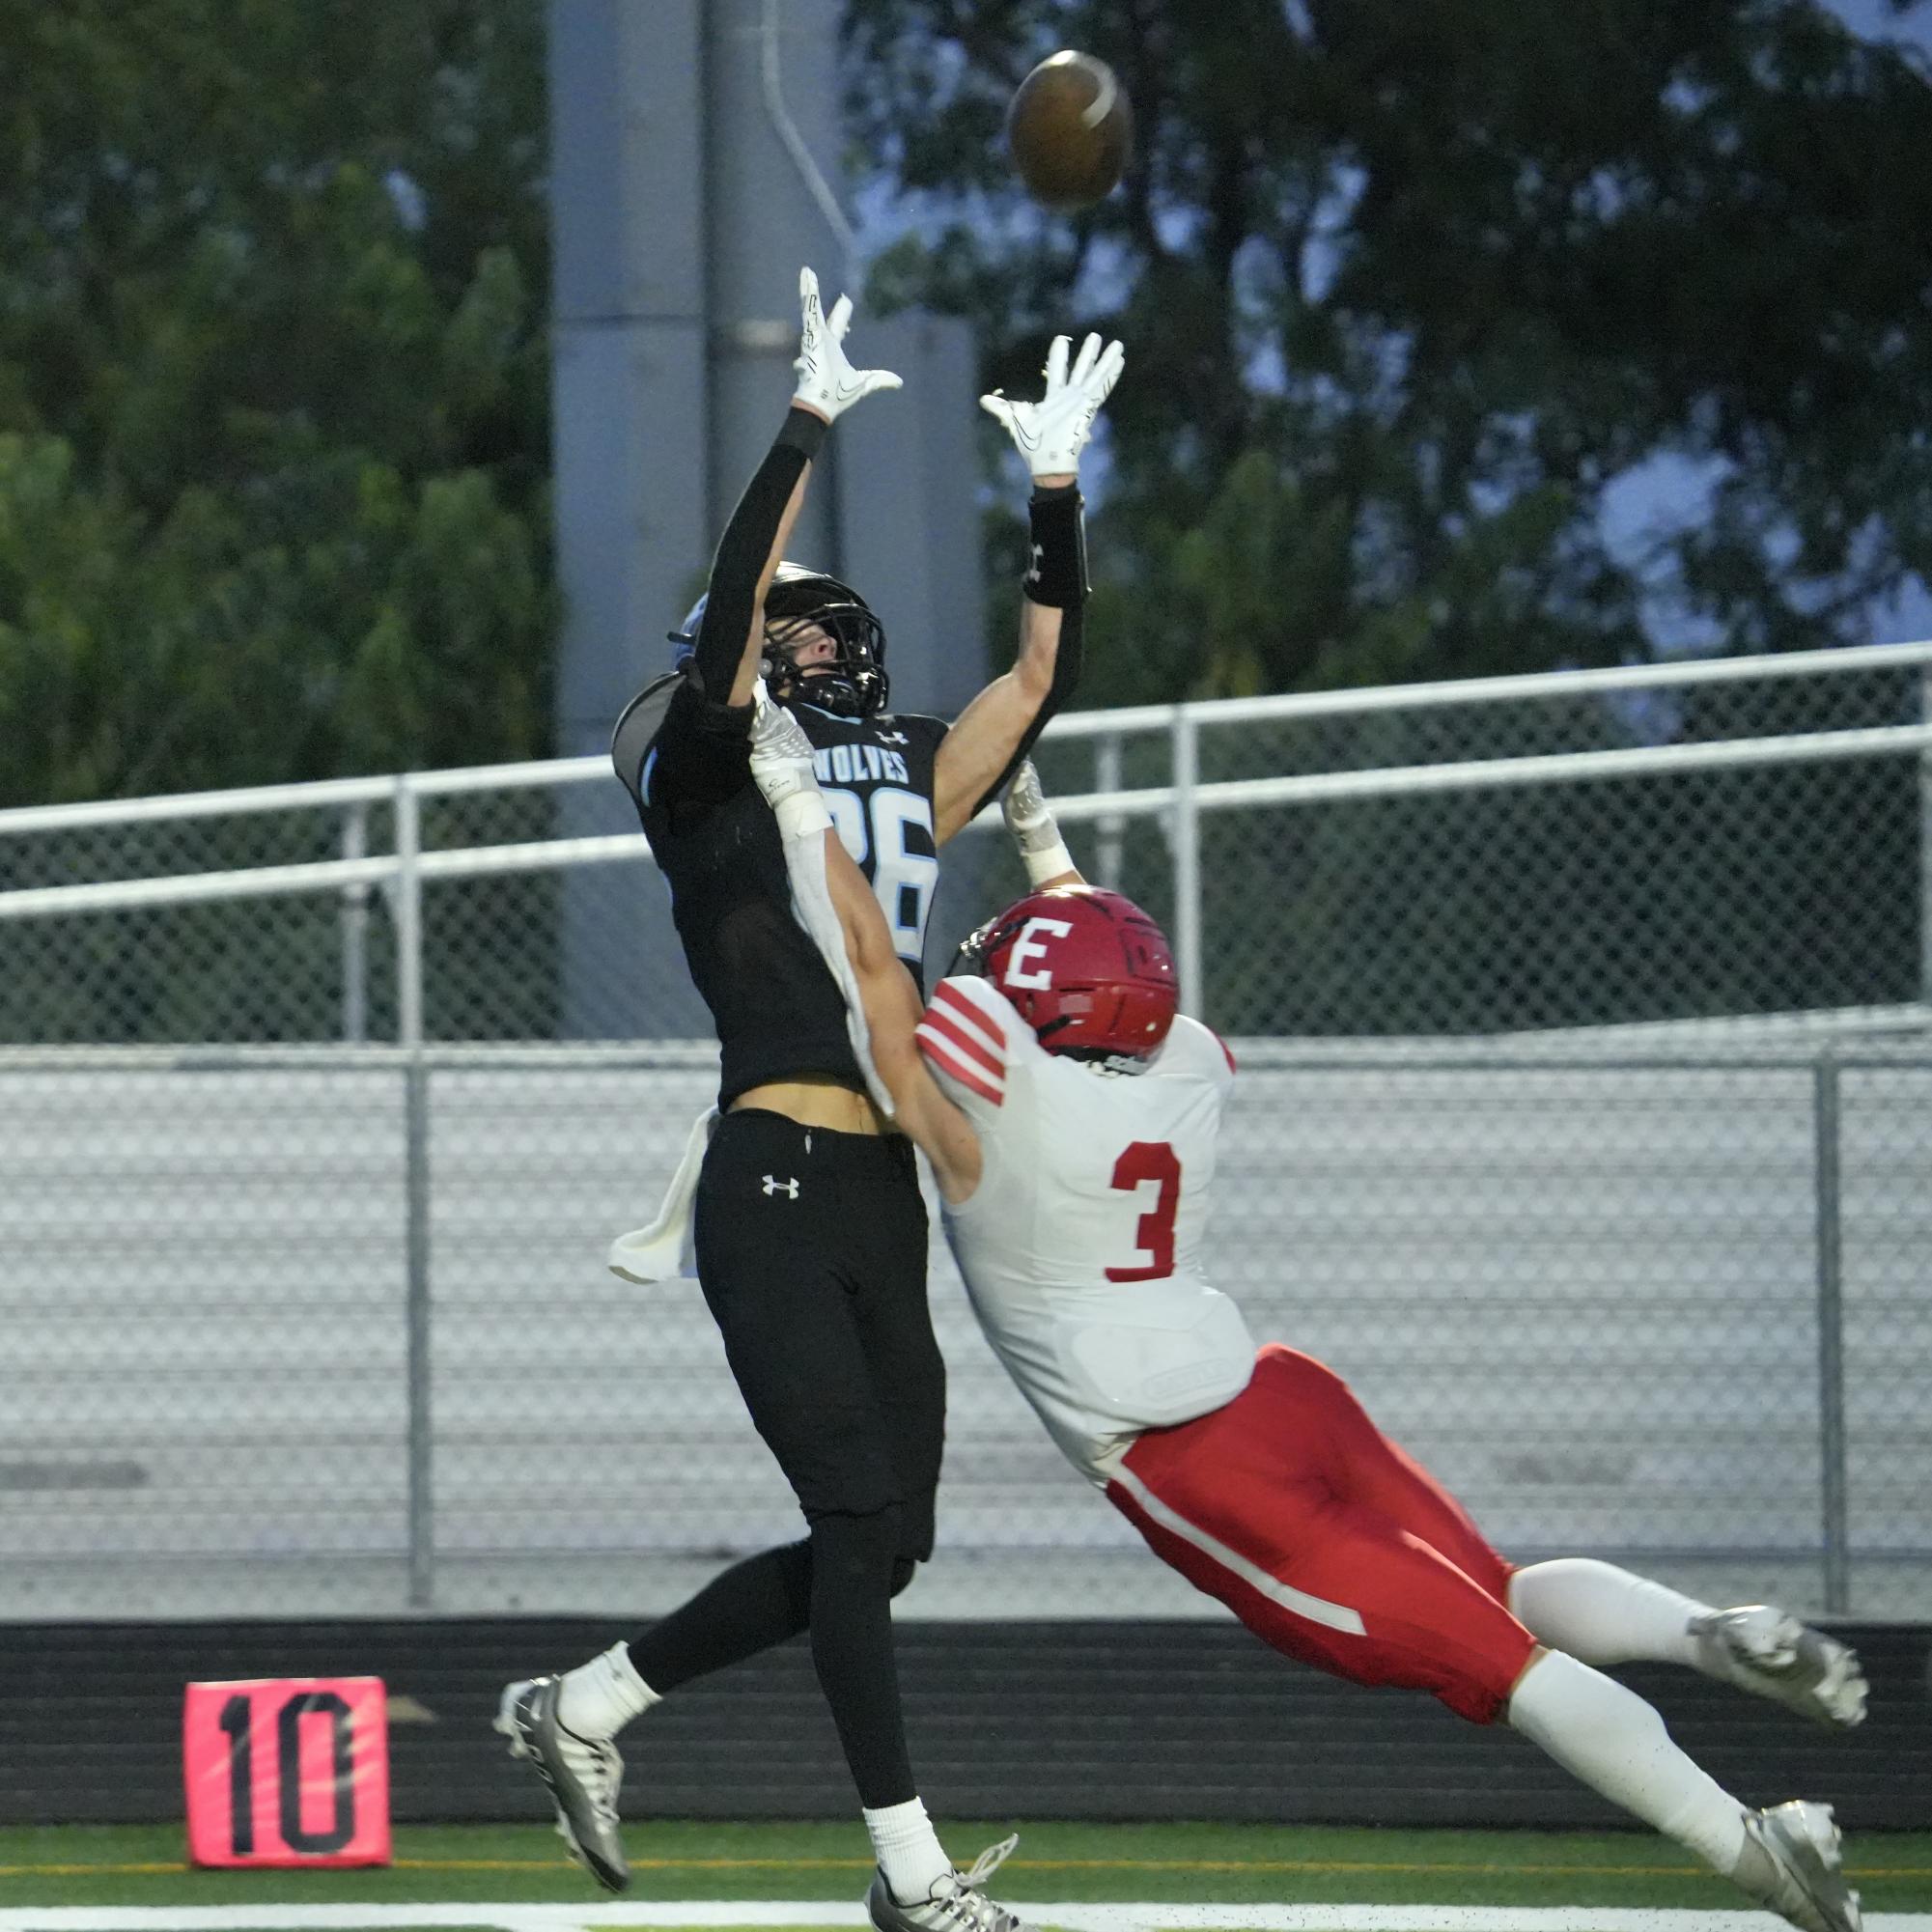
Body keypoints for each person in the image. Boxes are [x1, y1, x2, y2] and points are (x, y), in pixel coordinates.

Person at [741, 714, 1870, 1932]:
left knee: (1512, 1671)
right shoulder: (1185, 1064)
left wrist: (800, 805)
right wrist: (1039, 829)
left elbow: (869, 972)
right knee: (1499, 1589)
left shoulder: (1002, 1100)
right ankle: (1706, 1633)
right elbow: (1112, 959)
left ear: (1026, 1004)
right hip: (1281, 1392)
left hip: (1182, 1457)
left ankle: (1755, 1855)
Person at [495, 266, 1120, 1932]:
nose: (830, 641)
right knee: (854, 1517)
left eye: (841, 625)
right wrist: (798, 431)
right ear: (733, 647)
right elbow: (730, 623)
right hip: (766, 1164)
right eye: (796, 622)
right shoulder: (702, 768)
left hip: (874, 1195)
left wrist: (1055, 488)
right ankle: (911, 1877)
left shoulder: (908, 763)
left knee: (883, 1538)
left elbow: (1039, 675)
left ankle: (593, 1705)